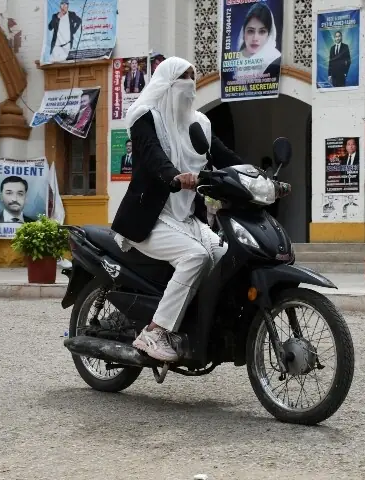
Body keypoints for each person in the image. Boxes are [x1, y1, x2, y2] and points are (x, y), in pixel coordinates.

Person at [111, 56, 243, 363]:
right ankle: (154, 331)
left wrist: (259, 178)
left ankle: (198, 326)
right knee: (195, 256)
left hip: (186, 219)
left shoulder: (200, 124)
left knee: (225, 256)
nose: (190, 87)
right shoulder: (145, 117)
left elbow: (226, 158)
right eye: (182, 79)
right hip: (150, 219)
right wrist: (173, 176)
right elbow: (152, 155)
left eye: (192, 80)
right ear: (167, 84)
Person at [233, 2, 282, 80]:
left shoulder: (274, 59)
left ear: (268, 35)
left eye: (262, 32)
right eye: (250, 31)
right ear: (244, 32)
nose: (255, 38)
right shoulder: (239, 57)